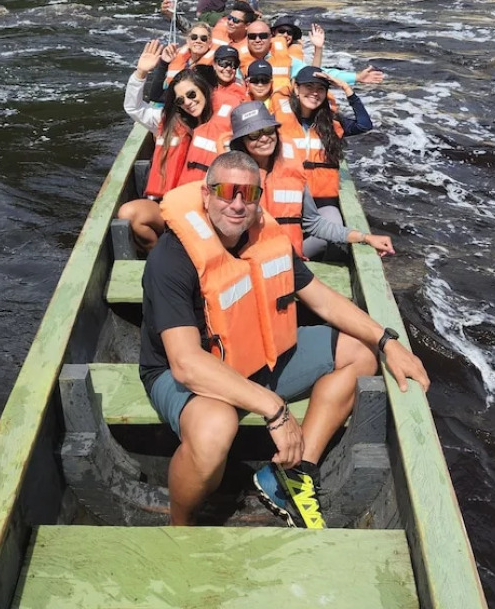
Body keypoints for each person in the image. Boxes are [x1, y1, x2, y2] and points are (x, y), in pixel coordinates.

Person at [139, 152, 429, 527]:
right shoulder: (172, 258)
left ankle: (292, 473)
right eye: (226, 191)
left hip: (256, 357)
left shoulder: (263, 237)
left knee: (360, 352)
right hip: (187, 375)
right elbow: (186, 364)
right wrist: (274, 409)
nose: (238, 204)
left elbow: (321, 299)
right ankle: (181, 522)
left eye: (249, 193)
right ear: (205, 194)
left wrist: (387, 341)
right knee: (215, 431)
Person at [228, 101, 394, 260]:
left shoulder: (292, 170)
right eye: (253, 135)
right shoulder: (231, 178)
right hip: (249, 262)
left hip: (288, 261)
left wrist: (365, 237)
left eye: (268, 129)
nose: (264, 138)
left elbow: (314, 223)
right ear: (241, 142)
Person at [119, 41, 218, 251]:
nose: (188, 102)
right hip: (166, 206)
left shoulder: (223, 127)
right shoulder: (168, 122)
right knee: (129, 213)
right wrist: (141, 73)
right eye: (180, 100)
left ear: (204, 91)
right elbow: (133, 107)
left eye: (192, 94)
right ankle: (157, 254)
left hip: (204, 212)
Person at [272, 66, 374, 254]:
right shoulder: (277, 120)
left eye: (320, 88)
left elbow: (364, 124)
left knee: (327, 238)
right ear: (296, 88)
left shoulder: (333, 122)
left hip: (322, 202)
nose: (314, 93)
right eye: (308, 87)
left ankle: (290, 259)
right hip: (288, 197)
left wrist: (345, 87)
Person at [241, 21, 381, 91]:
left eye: (263, 36)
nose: (258, 40)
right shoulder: (236, 59)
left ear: (270, 37)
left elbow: (317, 73)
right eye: (252, 37)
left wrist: (356, 77)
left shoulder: (286, 60)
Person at [147, 22, 217, 103]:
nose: (198, 41)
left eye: (203, 38)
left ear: (209, 43)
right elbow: (155, 96)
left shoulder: (212, 69)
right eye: (194, 37)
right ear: (188, 41)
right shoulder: (181, 60)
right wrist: (164, 63)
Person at [209, 45, 249, 117]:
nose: (228, 69)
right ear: (214, 64)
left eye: (234, 64)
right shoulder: (205, 80)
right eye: (224, 63)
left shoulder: (239, 89)